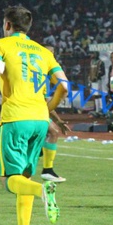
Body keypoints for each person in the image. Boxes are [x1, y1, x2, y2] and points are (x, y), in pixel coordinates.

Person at [0, 6, 69, 225]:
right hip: (40, 120)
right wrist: (48, 109)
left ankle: (43, 190)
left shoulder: (0, 45)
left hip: (15, 118)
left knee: (9, 179)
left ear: (7, 25)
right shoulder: (43, 51)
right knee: (25, 175)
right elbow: (64, 86)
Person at [40, 45, 70, 183]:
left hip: (34, 109)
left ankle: (46, 168)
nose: (51, 56)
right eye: (48, 53)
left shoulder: (43, 73)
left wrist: (58, 120)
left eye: (52, 53)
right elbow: (46, 102)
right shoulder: (41, 74)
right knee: (50, 133)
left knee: (52, 132)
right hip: (29, 110)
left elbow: (45, 102)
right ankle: (46, 169)